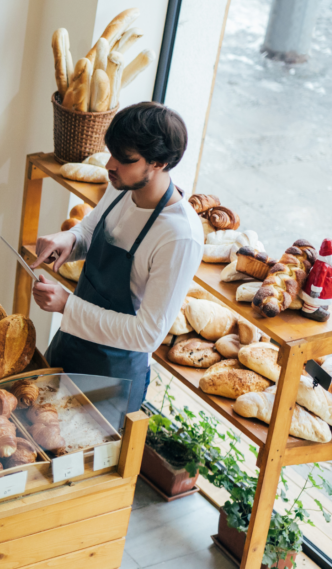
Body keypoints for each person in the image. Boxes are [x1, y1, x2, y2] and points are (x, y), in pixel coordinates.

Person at [30, 102, 204, 413]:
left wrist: (67, 305)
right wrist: (69, 239)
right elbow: (91, 229)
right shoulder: (122, 184)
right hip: (69, 345)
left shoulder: (180, 237)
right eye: (111, 153)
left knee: (77, 461)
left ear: (159, 162)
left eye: (124, 159)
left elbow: (147, 334)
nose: (110, 165)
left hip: (111, 380)